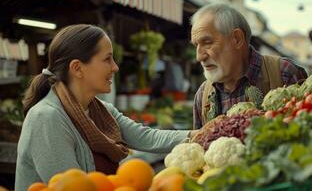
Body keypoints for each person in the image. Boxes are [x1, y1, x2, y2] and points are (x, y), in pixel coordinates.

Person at [15, 24, 196, 190]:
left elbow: (146, 137)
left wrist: (198, 136)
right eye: (107, 59)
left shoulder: (101, 110)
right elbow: (73, 187)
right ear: (77, 68)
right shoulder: (46, 118)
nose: (115, 67)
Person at [190, 4, 307, 129]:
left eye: (207, 43)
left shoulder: (285, 73)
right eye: (196, 45)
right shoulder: (202, 95)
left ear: (237, 39)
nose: (199, 57)